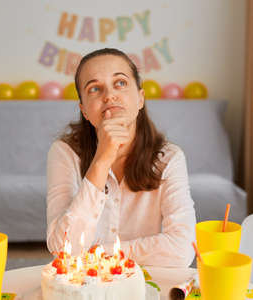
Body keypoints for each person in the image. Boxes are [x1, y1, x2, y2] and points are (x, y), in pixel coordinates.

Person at [46, 48, 196, 267]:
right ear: (85, 111)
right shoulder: (64, 152)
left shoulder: (169, 158)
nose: (109, 96)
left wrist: (96, 254)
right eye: (95, 88)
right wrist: (102, 159)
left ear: (140, 98)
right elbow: (61, 250)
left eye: (120, 83)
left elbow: (182, 250)